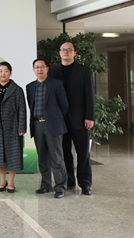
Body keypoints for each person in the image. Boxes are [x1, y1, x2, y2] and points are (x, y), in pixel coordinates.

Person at [48, 42, 95, 195]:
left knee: (83, 153)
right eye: (63, 49)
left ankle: (85, 184)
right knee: (64, 153)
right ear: (59, 52)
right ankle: (68, 181)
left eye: (69, 50)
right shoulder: (53, 71)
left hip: (80, 118)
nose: (66, 52)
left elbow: (90, 95)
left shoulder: (84, 71)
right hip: (60, 119)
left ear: (74, 53)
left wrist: (90, 116)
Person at [26, 59, 69, 199]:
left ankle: (61, 187)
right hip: (37, 125)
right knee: (42, 157)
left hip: (53, 124)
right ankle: (45, 185)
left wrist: (55, 118)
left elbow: (64, 105)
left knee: (57, 157)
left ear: (47, 68)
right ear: (33, 70)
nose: (39, 69)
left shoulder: (56, 84)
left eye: (42, 67)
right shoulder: (30, 87)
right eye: (36, 67)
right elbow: (31, 105)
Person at [0, 61, 26, 193]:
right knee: (0, 156)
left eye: (6, 71)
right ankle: (2, 181)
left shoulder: (17, 89)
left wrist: (21, 127)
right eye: (0, 71)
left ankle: (11, 182)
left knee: (12, 155)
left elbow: (22, 109)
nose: (3, 73)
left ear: (10, 73)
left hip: (12, 127)